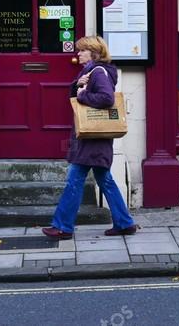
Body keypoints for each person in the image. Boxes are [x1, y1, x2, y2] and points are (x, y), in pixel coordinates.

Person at [42, 35, 137, 240]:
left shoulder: (99, 72)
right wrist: (78, 84)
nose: (78, 53)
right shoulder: (91, 72)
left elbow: (106, 98)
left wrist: (82, 94)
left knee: (74, 180)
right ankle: (125, 223)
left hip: (92, 140)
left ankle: (63, 227)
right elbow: (77, 95)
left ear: (94, 53)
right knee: (105, 180)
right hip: (94, 138)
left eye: (82, 50)